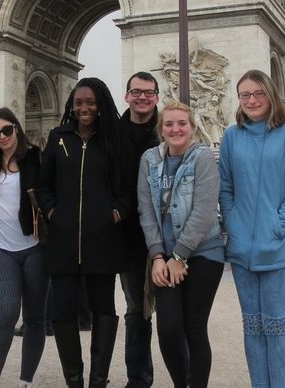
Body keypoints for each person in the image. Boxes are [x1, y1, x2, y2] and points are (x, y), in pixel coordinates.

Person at [37, 77, 133, 388]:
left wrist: (115, 213)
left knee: (104, 309)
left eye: (90, 102)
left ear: (101, 103)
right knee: (63, 312)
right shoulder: (58, 137)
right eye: (78, 102)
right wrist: (53, 211)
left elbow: (128, 188)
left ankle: (97, 380)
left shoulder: (115, 140)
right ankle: (74, 380)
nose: (84, 108)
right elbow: (43, 184)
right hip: (64, 242)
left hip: (103, 241)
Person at [219, 70, 285, 388]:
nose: (252, 100)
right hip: (243, 247)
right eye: (245, 95)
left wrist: (277, 226)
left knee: (275, 325)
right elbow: (226, 187)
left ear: (271, 95)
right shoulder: (231, 136)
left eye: (258, 93)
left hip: (278, 247)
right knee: (252, 326)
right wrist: (233, 224)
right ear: (239, 99)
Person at [138, 101, 225, 388]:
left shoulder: (202, 158)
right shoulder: (149, 160)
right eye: (169, 124)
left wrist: (179, 256)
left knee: (194, 327)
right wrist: (159, 256)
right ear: (160, 128)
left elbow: (204, 210)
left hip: (203, 251)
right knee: (168, 329)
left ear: (192, 127)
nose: (175, 129)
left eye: (182, 123)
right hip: (165, 256)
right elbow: (146, 212)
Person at [0, 108, 47, 388]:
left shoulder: (36, 158)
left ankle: (25, 381)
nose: (3, 136)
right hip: (2, 249)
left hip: (36, 248)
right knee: (6, 312)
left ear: (17, 128)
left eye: (8, 129)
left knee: (34, 317)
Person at [119, 71, 160, 388]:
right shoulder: (111, 134)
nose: (142, 97)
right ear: (127, 96)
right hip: (128, 238)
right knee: (137, 310)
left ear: (157, 96)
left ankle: (185, 378)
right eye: (136, 92)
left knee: (177, 316)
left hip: (166, 236)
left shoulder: (171, 128)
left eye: (148, 92)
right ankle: (139, 379)